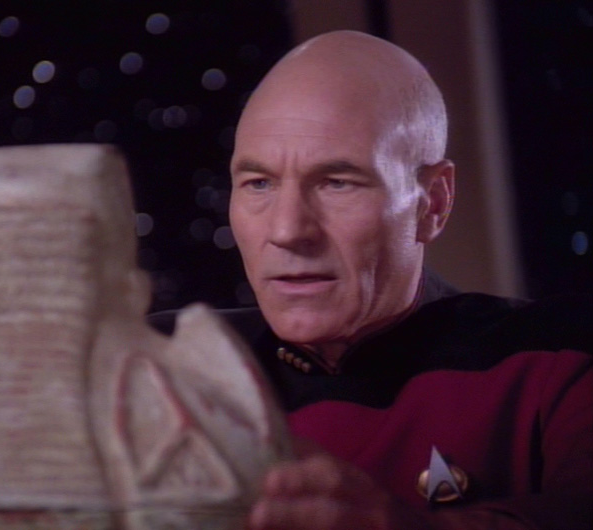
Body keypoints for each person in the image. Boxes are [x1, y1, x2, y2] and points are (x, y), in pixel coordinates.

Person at [150, 30, 592, 529]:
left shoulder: (555, 360)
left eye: (337, 182)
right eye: (258, 183)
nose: (287, 230)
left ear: (433, 203)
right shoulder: (165, 363)